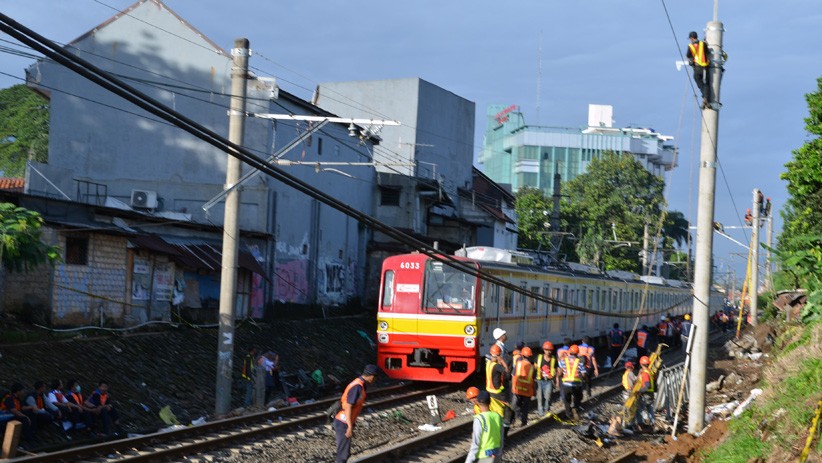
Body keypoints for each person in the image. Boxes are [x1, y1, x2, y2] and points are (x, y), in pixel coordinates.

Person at [334, 364, 378, 463]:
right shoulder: (357, 386)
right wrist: (349, 427)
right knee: (343, 454)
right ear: (371, 375)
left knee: (345, 452)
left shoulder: (360, 384)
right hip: (343, 422)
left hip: (344, 421)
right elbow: (348, 406)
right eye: (375, 377)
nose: (375, 380)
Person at [465, 391, 504, 463]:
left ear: (478, 402)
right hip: (496, 454)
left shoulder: (479, 419)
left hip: (484, 457)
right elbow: (501, 437)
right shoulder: (498, 416)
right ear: (489, 402)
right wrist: (499, 454)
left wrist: (468, 461)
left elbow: (475, 444)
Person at [485, 344, 514, 436]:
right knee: (507, 412)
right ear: (498, 355)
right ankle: (502, 434)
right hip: (498, 394)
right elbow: (507, 373)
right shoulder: (497, 366)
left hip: (489, 392)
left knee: (494, 411)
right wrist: (503, 362)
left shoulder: (488, 364)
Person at [558, 345, 587, 422]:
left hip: (566, 385)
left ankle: (568, 415)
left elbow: (560, 372)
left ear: (569, 352)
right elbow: (583, 374)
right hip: (577, 384)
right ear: (577, 353)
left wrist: (560, 376)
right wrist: (585, 380)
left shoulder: (563, 361)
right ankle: (575, 408)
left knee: (567, 400)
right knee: (578, 397)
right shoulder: (579, 362)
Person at [686, 31, 711, 107]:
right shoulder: (703, 44)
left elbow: (688, 55)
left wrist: (692, 60)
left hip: (697, 68)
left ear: (691, 38)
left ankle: (705, 97)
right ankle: (706, 98)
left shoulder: (690, 46)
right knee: (707, 83)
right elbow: (707, 52)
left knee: (699, 82)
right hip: (705, 67)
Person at [510, 346, 534, 427]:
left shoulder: (518, 364)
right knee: (525, 407)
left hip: (517, 389)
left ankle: (512, 421)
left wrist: (513, 387)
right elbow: (533, 380)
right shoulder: (532, 367)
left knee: (514, 406)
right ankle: (523, 422)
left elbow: (513, 375)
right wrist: (533, 391)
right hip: (527, 391)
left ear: (522, 356)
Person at [534, 341, 558, 416]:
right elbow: (534, 366)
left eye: (550, 350)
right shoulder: (539, 357)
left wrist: (556, 380)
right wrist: (538, 370)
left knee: (548, 397)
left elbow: (556, 370)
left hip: (549, 381)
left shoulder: (554, 359)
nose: (548, 351)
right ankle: (541, 413)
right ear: (544, 350)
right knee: (540, 397)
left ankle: (546, 411)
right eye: (547, 350)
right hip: (539, 380)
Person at [637, 356, 656, 430]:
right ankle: (653, 424)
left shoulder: (645, 374)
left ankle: (640, 424)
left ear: (641, 364)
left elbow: (647, 385)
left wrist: (640, 391)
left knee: (639, 409)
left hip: (646, 394)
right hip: (650, 394)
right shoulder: (649, 371)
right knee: (650, 409)